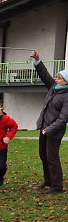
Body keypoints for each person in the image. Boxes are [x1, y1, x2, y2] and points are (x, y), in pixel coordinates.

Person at [31, 50, 68, 194]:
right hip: (44, 128)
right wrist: (38, 60)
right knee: (43, 155)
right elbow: (44, 75)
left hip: (54, 131)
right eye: (57, 77)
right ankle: (48, 180)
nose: (56, 79)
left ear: (66, 82)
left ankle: (57, 186)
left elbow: (63, 119)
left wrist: (49, 129)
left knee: (52, 158)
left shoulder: (66, 96)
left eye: (59, 78)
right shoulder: (54, 88)